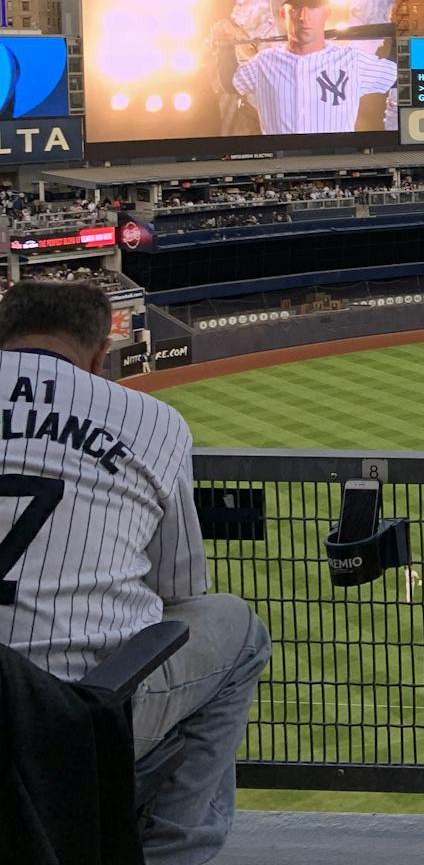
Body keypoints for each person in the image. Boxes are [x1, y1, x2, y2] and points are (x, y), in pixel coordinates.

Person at [0, 281, 271, 865]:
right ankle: (171, 853)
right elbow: (180, 589)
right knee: (238, 628)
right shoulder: (153, 420)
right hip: (82, 712)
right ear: (101, 353)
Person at [229, 0, 398, 137]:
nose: (304, 17)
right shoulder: (263, 62)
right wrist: (225, 45)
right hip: (279, 162)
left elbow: (400, 74)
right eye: (296, 8)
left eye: (313, 7)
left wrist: (402, 34)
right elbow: (230, 84)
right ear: (283, 13)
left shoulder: (352, 60)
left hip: (334, 161)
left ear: (327, 13)